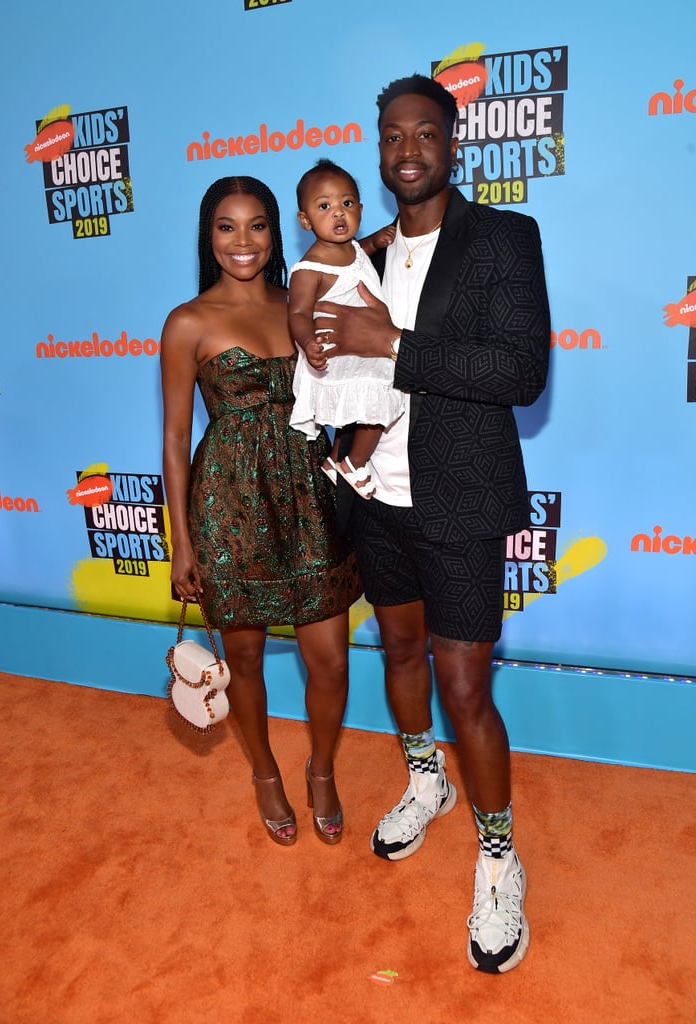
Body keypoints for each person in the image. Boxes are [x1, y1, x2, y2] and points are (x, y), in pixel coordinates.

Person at [314, 75, 551, 972]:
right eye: (390, 136)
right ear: (378, 151)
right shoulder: (361, 251)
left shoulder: (503, 238)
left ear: (453, 146)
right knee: (402, 658)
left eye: (424, 134)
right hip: (377, 498)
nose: (406, 150)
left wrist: (395, 346)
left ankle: (499, 854)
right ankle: (425, 778)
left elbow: (521, 369)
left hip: (460, 499)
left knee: (465, 688)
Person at [160, 176, 363, 848]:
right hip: (229, 505)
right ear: (208, 235)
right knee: (242, 659)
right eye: (226, 226)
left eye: (256, 225)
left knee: (330, 659)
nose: (242, 241)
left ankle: (323, 768)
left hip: (308, 495)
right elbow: (173, 443)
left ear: (278, 231)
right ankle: (265, 774)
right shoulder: (188, 321)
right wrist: (182, 545)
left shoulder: (304, 301)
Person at [288, 159, 402, 499]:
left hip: (361, 344)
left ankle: (333, 461)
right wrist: (307, 342)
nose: (339, 213)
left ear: (361, 209)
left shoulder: (351, 247)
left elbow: (358, 256)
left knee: (352, 411)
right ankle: (354, 462)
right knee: (378, 400)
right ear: (305, 220)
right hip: (334, 351)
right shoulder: (308, 268)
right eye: (325, 206)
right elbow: (297, 312)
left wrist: (375, 243)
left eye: (347, 204)